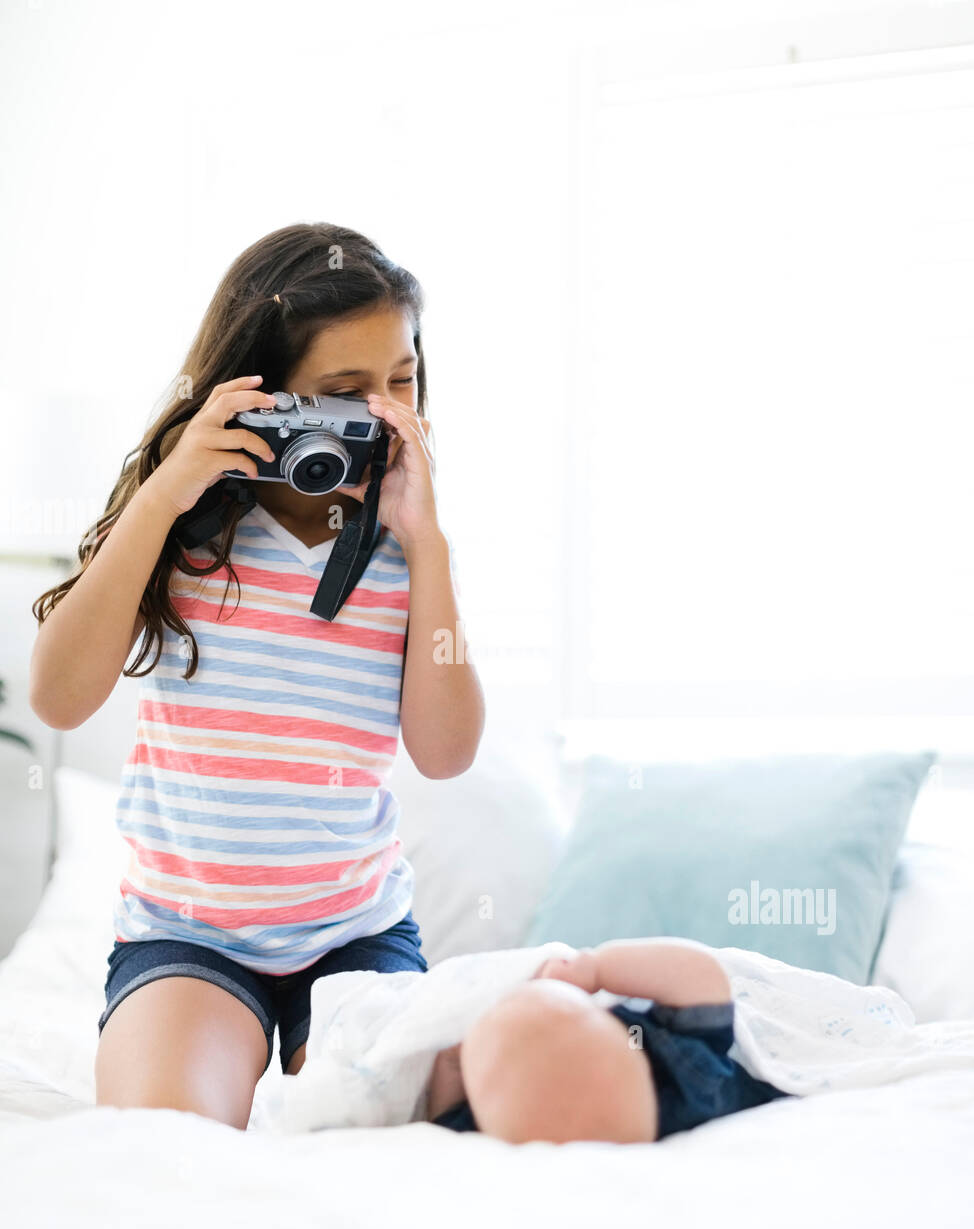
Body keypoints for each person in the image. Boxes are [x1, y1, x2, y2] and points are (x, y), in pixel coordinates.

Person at [30, 223, 484, 1130]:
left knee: (385, 1144)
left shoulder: (403, 551)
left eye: (403, 380)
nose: (386, 414)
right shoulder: (184, 533)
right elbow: (58, 696)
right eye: (344, 393)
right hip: (186, 931)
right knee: (166, 1143)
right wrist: (163, 495)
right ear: (262, 398)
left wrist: (427, 545)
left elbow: (444, 753)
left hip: (356, 932)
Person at [427, 939, 788, 1142]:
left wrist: (449, 1064)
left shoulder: (480, 1133)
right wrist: (598, 969)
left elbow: (441, 1125)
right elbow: (702, 978)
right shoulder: (691, 1080)